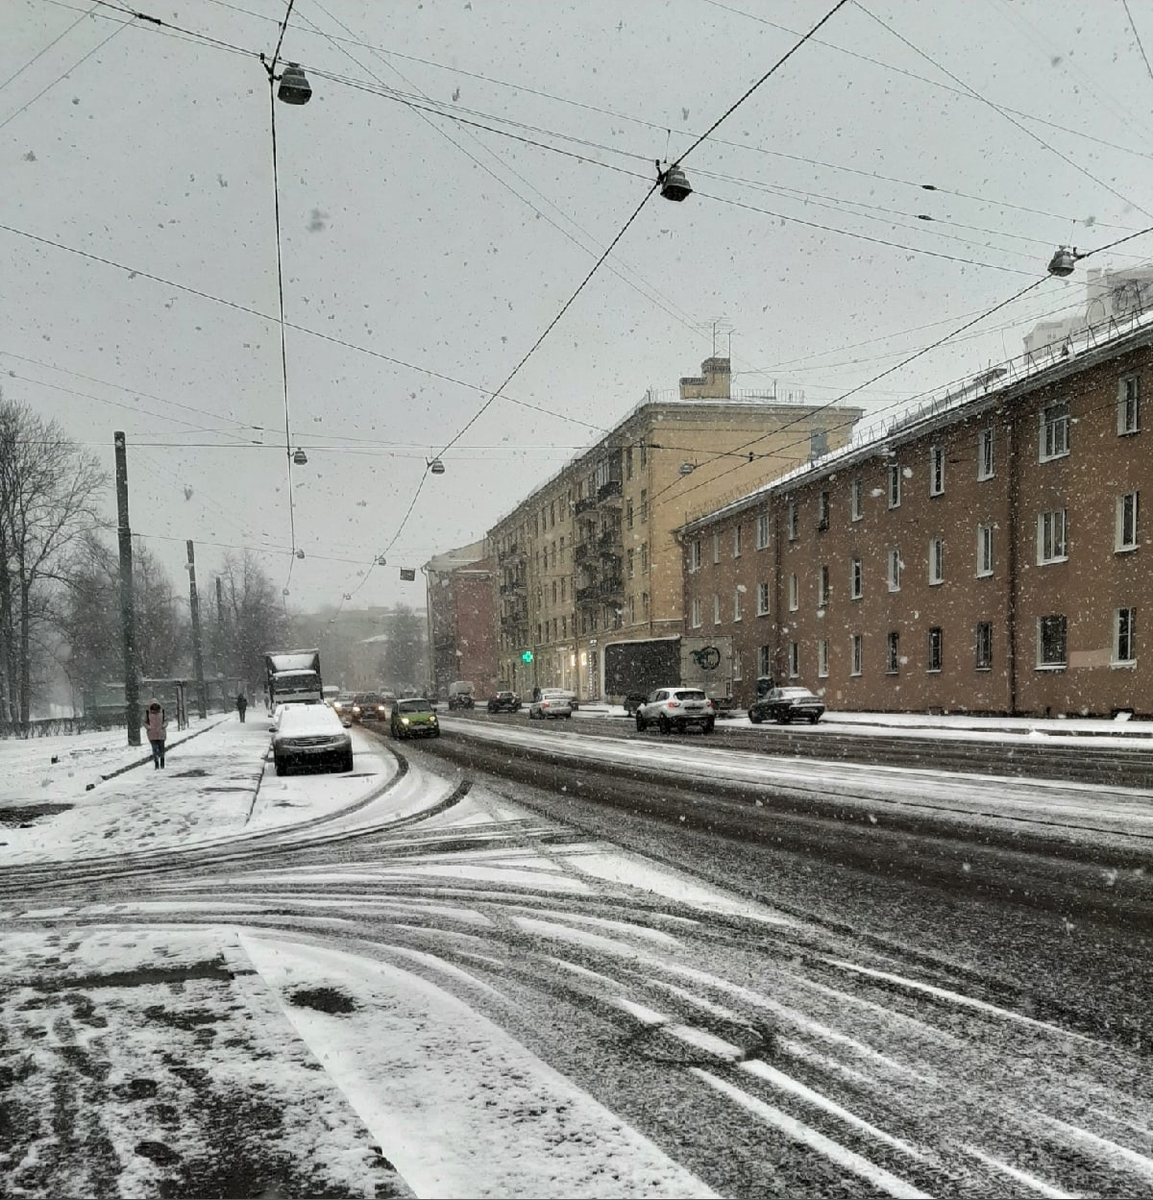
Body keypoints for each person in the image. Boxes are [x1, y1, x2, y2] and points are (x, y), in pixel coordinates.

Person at [143, 699, 167, 769]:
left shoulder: (162, 712)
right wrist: (148, 727)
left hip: (161, 734)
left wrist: (163, 726)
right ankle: (156, 763)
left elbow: (166, 720)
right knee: (154, 749)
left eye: (156, 705)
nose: (155, 707)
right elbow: (144, 722)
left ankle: (162, 762)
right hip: (152, 734)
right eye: (153, 705)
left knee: (161, 749)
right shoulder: (148, 713)